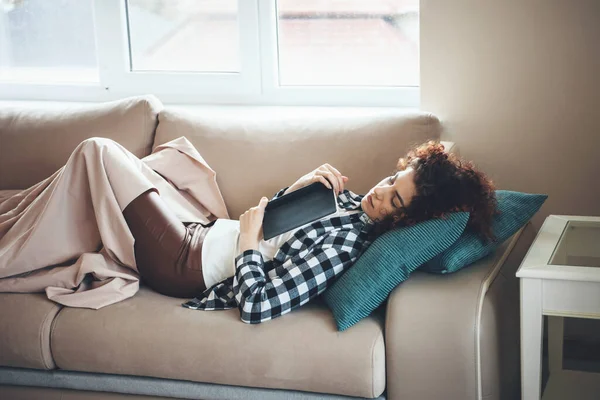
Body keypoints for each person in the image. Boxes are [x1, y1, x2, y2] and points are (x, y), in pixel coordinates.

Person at [122, 140, 497, 323]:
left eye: (394, 202)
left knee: (101, 154)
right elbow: (276, 231)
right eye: (391, 180)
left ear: (406, 222)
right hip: (206, 229)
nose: (380, 192)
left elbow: (257, 306)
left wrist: (247, 246)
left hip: (188, 262)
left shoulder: (345, 247)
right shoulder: (352, 205)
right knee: (172, 158)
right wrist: (300, 188)